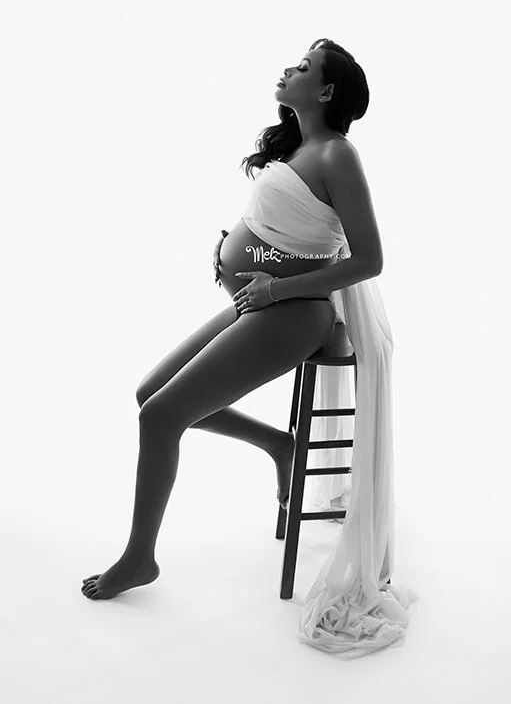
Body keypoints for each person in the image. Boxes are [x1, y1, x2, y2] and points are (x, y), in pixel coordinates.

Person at [81, 38, 417, 658]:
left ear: (326, 92)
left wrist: (273, 285)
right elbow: (288, 229)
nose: (289, 68)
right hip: (265, 302)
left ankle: (139, 557)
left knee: (160, 416)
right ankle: (280, 447)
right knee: (149, 394)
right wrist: (235, 247)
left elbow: (368, 260)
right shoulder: (298, 146)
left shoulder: (337, 153)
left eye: (304, 67)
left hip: (297, 314)